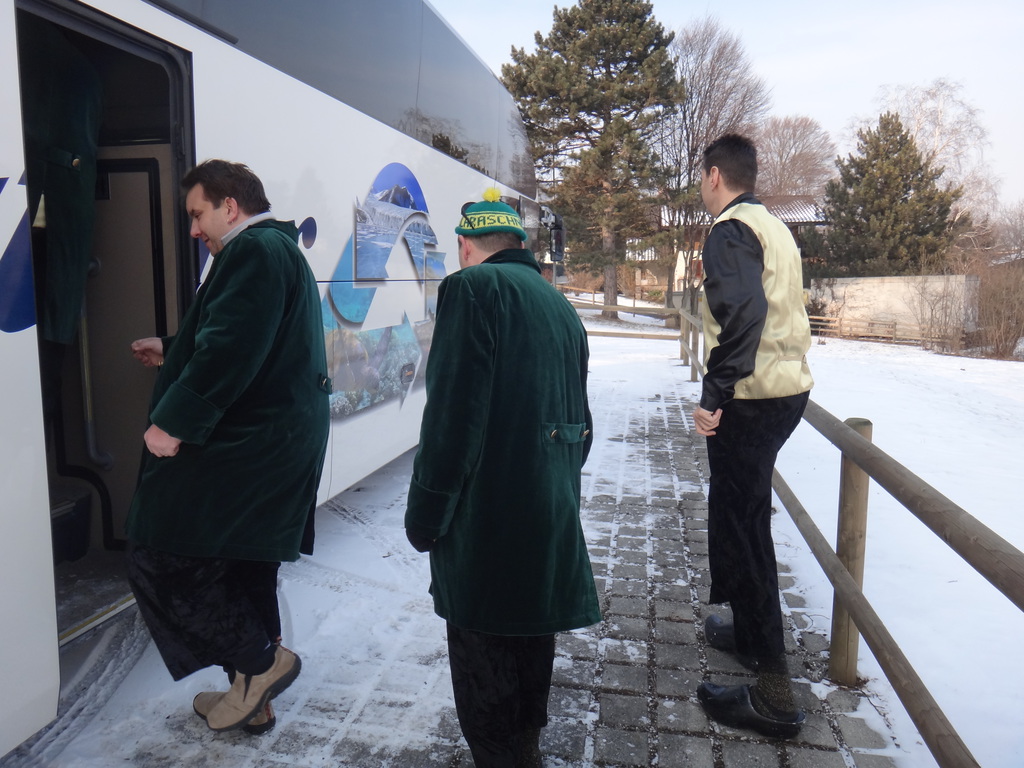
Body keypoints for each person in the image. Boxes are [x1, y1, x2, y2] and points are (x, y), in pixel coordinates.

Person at [124, 160, 331, 734]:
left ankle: (263, 665)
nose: (194, 230)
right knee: (244, 565)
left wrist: (173, 423)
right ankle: (253, 697)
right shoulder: (272, 249)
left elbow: (231, 349)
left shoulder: (255, 251)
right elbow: (239, 334)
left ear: (230, 206)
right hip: (272, 443)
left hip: (251, 445)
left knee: (160, 553)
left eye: (198, 214)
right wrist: (172, 347)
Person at [404, 190, 600, 767]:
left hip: (486, 532)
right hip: (549, 518)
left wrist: (426, 515)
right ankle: (525, 752)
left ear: (466, 246)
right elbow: (581, 426)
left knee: (485, 682)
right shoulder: (559, 304)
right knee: (529, 658)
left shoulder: (471, 289)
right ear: (517, 243)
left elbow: (451, 421)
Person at [691, 134, 814, 738]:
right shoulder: (774, 226)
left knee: (744, 531)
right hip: (784, 389)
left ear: (715, 175)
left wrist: (714, 394)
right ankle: (745, 632)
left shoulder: (730, 229)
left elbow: (743, 316)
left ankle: (774, 698)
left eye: (701, 176)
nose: (701, 186)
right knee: (742, 514)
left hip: (751, 397)